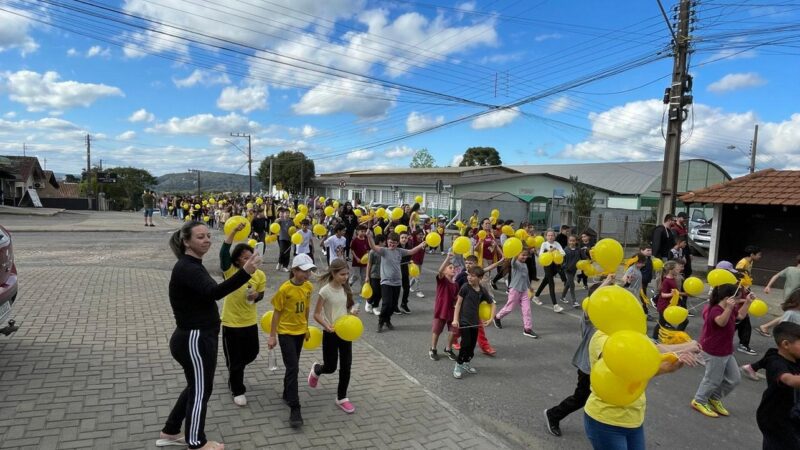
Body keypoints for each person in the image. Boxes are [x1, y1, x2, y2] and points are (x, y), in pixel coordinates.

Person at [159, 221, 260, 450]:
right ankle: (196, 441)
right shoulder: (187, 267)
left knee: (196, 386)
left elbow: (206, 294)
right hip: (194, 338)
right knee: (201, 389)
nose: (206, 240)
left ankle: (171, 430)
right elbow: (213, 292)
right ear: (186, 241)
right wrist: (245, 273)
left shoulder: (193, 264)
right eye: (200, 237)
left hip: (197, 336)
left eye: (207, 235)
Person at [584, 321, 699, 449]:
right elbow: (631, 368)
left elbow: (653, 348)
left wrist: (686, 347)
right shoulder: (602, 338)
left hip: (634, 418)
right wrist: (669, 363)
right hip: (605, 420)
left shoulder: (631, 333)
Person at [544, 275, 614, 438]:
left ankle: (606, 429)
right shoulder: (590, 317)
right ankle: (553, 414)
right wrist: (605, 283)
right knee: (580, 398)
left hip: (604, 366)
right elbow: (592, 301)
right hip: (588, 366)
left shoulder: (609, 317)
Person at [220, 224, 266, 407]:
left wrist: (257, 296)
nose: (250, 261)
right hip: (231, 322)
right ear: (238, 261)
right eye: (246, 258)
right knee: (236, 359)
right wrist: (233, 232)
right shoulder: (230, 271)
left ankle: (234, 370)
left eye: (252, 258)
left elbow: (261, 294)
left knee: (252, 353)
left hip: (250, 321)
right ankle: (237, 388)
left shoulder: (260, 275)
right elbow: (224, 252)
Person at [267, 254, 316, 428]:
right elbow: (277, 312)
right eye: (304, 271)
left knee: (292, 367)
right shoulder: (284, 289)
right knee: (293, 367)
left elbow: (307, 308)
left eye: (309, 271)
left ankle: (287, 393)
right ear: (294, 270)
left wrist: (307, 328)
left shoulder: (309, 287)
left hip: (299, 332)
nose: (308, 274)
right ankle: (295, 408)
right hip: (285, 332)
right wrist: (272, 336)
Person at [690, 283, 753, 418]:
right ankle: (699, 400)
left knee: (734, 379)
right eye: (736, 299)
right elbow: (721, 323)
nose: (738, 302)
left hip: (726, 350)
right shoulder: (714, 310)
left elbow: (740, 316)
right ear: (727, 298)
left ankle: (714, 398)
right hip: (713, 350)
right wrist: (729, 308)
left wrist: (748, 302)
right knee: (712, 379)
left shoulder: (730, 307)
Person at [309, 259, 358, 414]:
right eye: (342, 274)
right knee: (330, 367)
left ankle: (341, 398)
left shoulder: (346, 288)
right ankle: (317, 369)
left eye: (347, 274)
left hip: (346, 331)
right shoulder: (325, 291)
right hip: (330, 332)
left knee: (346, 365)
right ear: (333, 273)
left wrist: (352, 312)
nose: (345, 277)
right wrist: (326, 325)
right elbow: (316, 314)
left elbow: (347, 308)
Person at [366, 231, 425, 332]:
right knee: (386, 303)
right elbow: (373, 247)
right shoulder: (383, 251)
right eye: (390, 242)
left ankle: (387, 320)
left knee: (393, 305)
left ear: (397, 243)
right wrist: (369, 237)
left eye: (394, 243)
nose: (392, 245)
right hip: (385, 282)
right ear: (387, 242)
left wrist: (420, 245)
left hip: (397, 282)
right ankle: (380, 322)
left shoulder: (399, 251)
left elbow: (411, 251)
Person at [755, 322, 800, 449]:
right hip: (775, 419)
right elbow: (789, 380)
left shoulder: (796, 357)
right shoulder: (775, 362)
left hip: (793, 414)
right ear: (786, 344)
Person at [742, 290, 800, 380]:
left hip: (793, 343)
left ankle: (752, 367)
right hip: (790, 342)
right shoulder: (791, 313)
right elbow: (783, 326)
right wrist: (786, 340)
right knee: (779, 358)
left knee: (775, 356)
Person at [451, 266, 495, 379]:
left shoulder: (482, 290)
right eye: (469, 275)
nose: (469, 277)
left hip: (475, 322)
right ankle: (458, 365)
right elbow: (458, 304)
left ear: (480, 278)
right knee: (465, 344)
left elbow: (492, 303)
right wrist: (455, 319)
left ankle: (466, 363)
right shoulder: (465, 287)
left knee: (471, 346)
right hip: (464, 321)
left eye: (473, 276)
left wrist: (491, 318)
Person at [493, 249, 537, 338]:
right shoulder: (515, 264)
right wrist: (513, 252)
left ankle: (527, 329)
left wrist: (530, 287)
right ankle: (497, 317)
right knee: (509, 308)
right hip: (515, 290)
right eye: (522, 255)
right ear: (517, 255)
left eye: (526, 255)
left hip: (524, 290)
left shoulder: (525, 265)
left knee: (527, 310)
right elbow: (513, 261)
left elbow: (526, 278)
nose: (524, 257)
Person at [757, 254, 800, 336]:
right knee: (790, 314)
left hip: (788, 295)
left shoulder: (789, 269)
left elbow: (775, 275)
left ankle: (767, 327)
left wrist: (768, 286)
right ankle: (766, 327)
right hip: (796, 298)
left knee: (789, 314)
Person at [430, 252, 459, 361]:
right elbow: (440, 271)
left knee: (453, 331)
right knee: (437, 331)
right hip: (441, 310)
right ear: (445, 271)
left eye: (454, 268)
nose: (453, 269)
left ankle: (448, 349)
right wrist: (448, 258)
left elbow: (456, 298)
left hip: (451, 311)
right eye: (450, 268)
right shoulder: (442, 281)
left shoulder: (456, 284)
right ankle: (433, 349)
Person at [735, 246, 762, 355]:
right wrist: (743, 294)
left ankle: (743, 344)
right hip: (740, 291)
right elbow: (738, 277)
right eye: (758, 254)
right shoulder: (742, 263)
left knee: (741, 322)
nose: (760, 256)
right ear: (752, 254)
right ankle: (743, 344)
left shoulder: (749, 262)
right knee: (738, 321)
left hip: (744, 290)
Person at [533, 230, 566, 313]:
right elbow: (540, 255)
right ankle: (555, 305)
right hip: (547, 265)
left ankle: (536, 296)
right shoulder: (544, 244)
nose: (550, 237)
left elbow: (563, 253)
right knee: (551, 282)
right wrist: (549, 252)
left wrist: (557, 252)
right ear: (546, 236)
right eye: (549, 235)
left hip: (555, 265)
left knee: (545, 281)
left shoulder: (557, 244)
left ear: (554, 236)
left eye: (552, 235)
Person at [651, 260, 684, 340]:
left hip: (669, 304)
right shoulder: (666, 281)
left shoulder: (673, 279)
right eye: (676, 269)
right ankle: (654, 339)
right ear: (671, 270)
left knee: (664, 322)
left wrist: (683, 294)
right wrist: (672, 294)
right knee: (661, 323)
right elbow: (663, 294)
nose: (678, 270)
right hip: (664, 305)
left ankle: (674, 336)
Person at [364, 234, 384, 316]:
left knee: (380, 293)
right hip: (374, 275)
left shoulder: (384, 251)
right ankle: (368, 302)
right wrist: (367, 276)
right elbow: (369, 264)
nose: (385, 243)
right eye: (384, 242)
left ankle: (375, 306)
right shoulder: (372, 251)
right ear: (380, 242)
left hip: (383, 275)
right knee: (375, 291)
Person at [561, 235, 581, 307]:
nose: (572, 242)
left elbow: (583, 257)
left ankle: (562, 297)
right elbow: (562, 260)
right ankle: (574, 301)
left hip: (574, 269)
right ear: (568, 241)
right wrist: (564, 266)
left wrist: (588, 259)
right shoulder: (565, 250)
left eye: (573, 241)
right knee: (572, 284)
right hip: (567, 270)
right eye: (570, 241)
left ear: (576, 241)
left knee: (568, 284)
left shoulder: (578, 250)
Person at [671, 212, 692, 277]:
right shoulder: (674, 228)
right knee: (681, 269)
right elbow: (676, 242)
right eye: (684, 218)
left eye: (686, 219)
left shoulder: (683, 226)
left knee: (688, 269)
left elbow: (686, 241)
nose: (685, 220)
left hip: (685, 250)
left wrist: (689, 253)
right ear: (678, 218)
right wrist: (682, 255)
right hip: (680, 251)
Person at [349, 225, 370, 289]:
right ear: (357, 232)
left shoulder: (366, 240)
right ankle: (350, 282)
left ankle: (363, 290)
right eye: (362, 231)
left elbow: (368, 250)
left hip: (364, 262)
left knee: (364, 277)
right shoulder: (355, 240)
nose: (363, 233)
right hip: (356, 261)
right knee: (356, 275)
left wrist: (368, 257)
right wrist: (356, 258)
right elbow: (352, 250)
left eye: (364, 231)